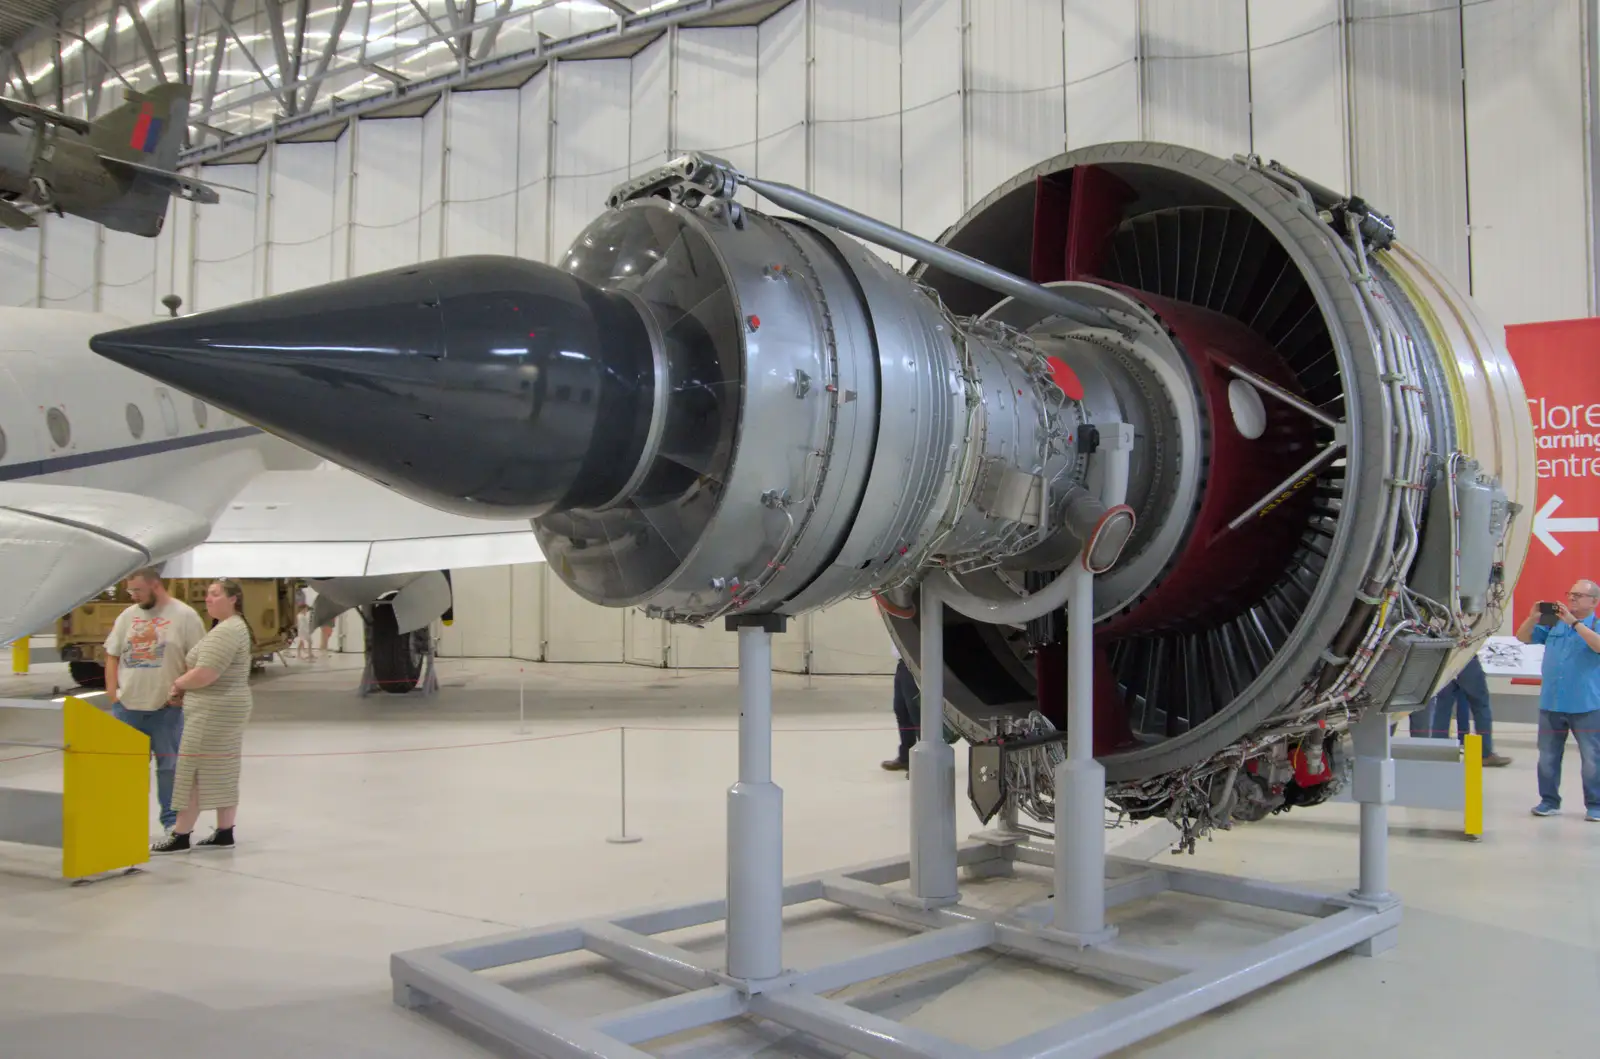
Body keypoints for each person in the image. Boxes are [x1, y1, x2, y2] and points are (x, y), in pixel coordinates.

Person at [152, 579, 256, 854]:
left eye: (215, 594)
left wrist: (178, 684)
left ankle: (181, 835)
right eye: (208, 595)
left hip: (213, 710)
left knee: (193, 771)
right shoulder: (233, 627)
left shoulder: (227, 631)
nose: (208, 599)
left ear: (233, 598)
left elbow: (206, 673)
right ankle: (224, 831)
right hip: (224, 707)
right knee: (223, 769)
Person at [103, 568, 206, 834]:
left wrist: (184, 693)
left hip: (166, 711)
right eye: (130, 591)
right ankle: (125, 822)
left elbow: (199, 661)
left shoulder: (185, 617)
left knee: (169, 770)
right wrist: (113, 693)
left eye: (138, 590)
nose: (134, 596)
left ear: (155, 585)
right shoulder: (128, 616)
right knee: (125, 772)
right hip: (127, 709)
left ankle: (171, 823)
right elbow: (112, 655)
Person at [1516, 580, 1600, 821]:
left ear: (1594, 601)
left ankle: (1595, 804)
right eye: (1570, 594)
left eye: (1578, 595)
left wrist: (1574, 624)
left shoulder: (1594, 626)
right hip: (1551, 703)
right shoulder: (1554, 626)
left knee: (1592, 758)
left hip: (1586, 705)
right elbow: (1523, 637)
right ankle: (1549, 800)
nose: (1571, 599)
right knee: (1548, 756)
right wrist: (1533, 618)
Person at [1409, 656, 1511, 767]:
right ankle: (1485, 754)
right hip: (1465, 657)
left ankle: (1438, 750)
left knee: (1441, 708)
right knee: (1480, 704)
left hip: (1445, 660)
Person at [881, 660, 918, 775]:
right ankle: (906, 757)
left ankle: (925, 762)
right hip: (903, 663)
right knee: (901, 710)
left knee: (916, 712)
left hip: (917, 662)